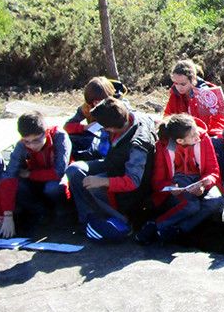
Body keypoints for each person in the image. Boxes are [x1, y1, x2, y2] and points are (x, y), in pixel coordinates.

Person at [65, 97, 157, 240]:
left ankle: (122, 222)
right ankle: (87, 219)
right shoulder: (125, 114)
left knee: (93, 186)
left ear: (111, 128)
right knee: (74, 170)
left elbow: (133, 181)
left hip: (132, 186)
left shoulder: (138, 145)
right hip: (113, 163)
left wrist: (102, 181)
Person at [136, 113, 223, 245]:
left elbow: (213, 170)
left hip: (201, 179)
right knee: (191, 206)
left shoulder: (204, 139)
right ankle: (157, 225)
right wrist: (170, 188)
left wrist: (205, 184)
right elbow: (158, 180)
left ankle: (177, 229)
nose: (198, 136)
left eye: (196, 131)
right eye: (193, 135)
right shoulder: (163, 147)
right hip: (178, 182)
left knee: (215, 200)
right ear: (180, 141)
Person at [0, 111, 71, 233]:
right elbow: (9, 176)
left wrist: (29, 174)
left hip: (57, 182)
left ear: (46, 132)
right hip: (35, 182)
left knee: (53, 188)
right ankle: (42, 213)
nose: (32, 145)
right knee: (17, 185)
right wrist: (7, 216)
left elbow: (59, 172)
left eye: (37, 140)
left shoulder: (59, 136)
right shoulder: (21, 146)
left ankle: (65, 212)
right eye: (27, 141)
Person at [63, 76, 129, 161]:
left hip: (116, 142)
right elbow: (67, 126)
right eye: (94, 102)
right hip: (95, 139)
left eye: (100, 101)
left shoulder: (121, 107)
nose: (97, 104)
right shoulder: (87, 107)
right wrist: (85, 127)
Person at [163, 59, 224, 140]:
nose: (179, 87)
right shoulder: (175, 94)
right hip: (186, 136)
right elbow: (167, 116)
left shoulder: (207, 94)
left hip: (208, 135)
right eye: (176, 83)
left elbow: (218, 123)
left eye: (183, 84)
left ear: (193, 80)